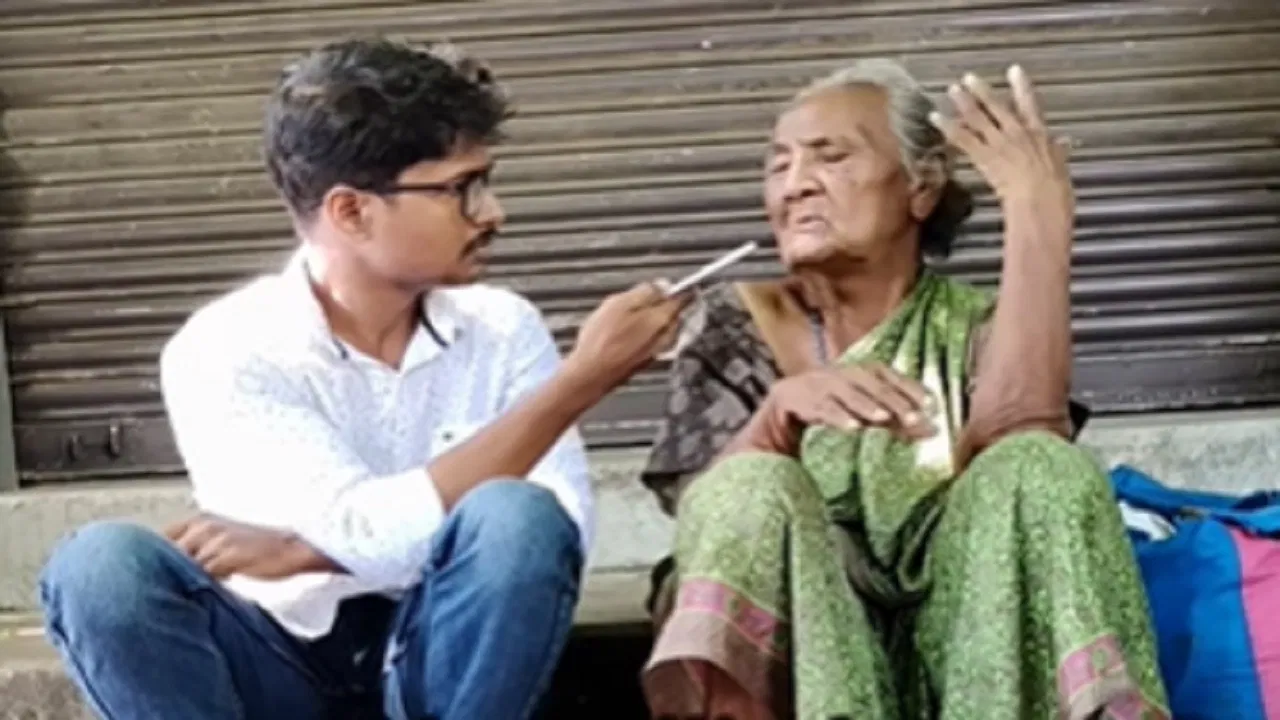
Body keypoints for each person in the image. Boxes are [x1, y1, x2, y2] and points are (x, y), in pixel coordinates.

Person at [37, 38, 688, 720]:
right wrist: (581, 380)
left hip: (450, 660)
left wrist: (302, 549)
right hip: (277, 663)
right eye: (461, 189)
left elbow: (552, 537)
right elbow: (358, 529)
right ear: (351, 211)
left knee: (514, 517)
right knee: (99, 568)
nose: (494, 212)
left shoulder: (503, 326)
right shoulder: (224, 348)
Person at [638, 60, 1170, 719]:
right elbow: (705, 523)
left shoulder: (980, 326)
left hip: (966, 645)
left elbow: (1027, 454)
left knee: (1043, 466)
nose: (795, 185)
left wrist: (1037, 214)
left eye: (830, 157)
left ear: (920, 188)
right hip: (793, 647)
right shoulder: (732, 322)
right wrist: (772, 421)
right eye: (778, 166)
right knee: (749, 484)